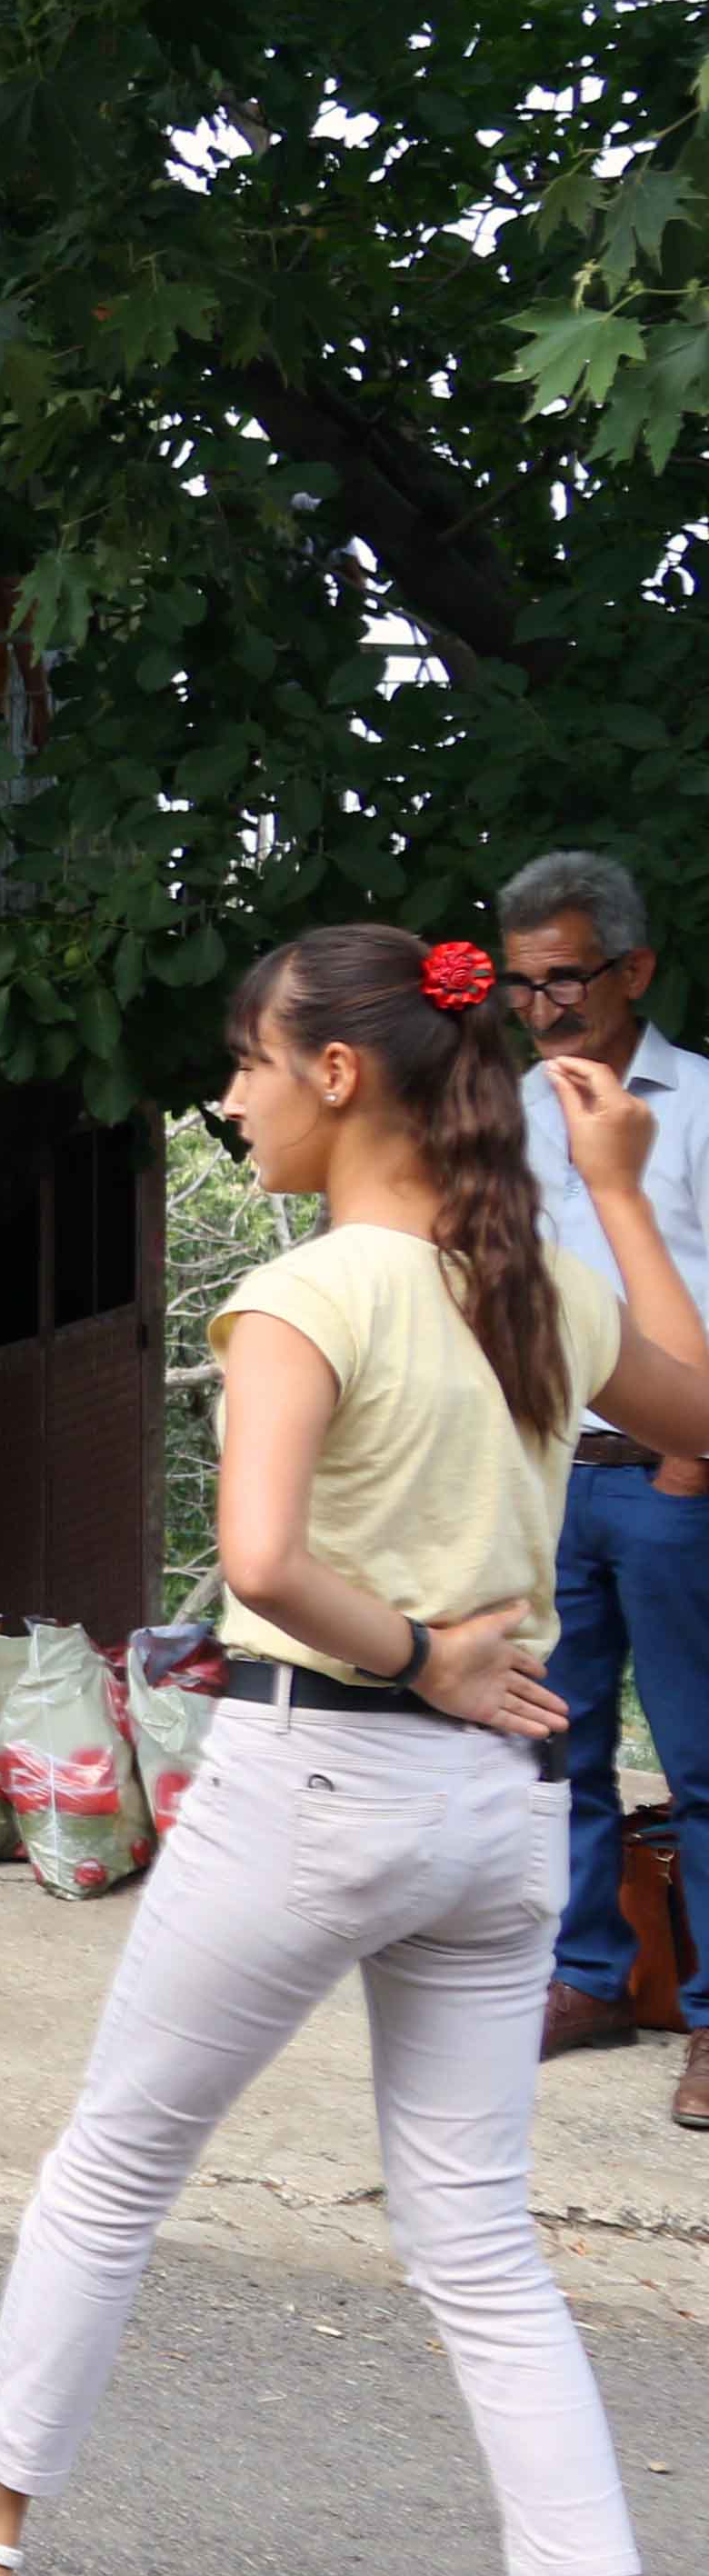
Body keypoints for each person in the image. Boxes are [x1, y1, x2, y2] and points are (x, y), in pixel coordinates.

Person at [0, 926, 709, 2576]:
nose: (228, 1098)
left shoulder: (307, 1293)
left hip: (325, 1772)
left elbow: (264, 1562)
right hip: (497, 1809)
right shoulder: (538, 1285)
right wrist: (619, 1196)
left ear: (340, 1075)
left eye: (247, 1063)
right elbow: (699, 1409)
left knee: (115, 2163)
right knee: (478, 2236)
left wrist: (418, 1649)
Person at [497, 851, 709, 2099]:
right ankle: (586, 1975)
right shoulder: (513, 1112)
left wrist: (689, 1459)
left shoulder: (701, 1104)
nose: (543, 1009)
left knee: (701, 1757)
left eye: (566, 979)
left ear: (634, 969)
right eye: (522, 986)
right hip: (547, 1474)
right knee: (553, 1750)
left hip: (673, 1476)